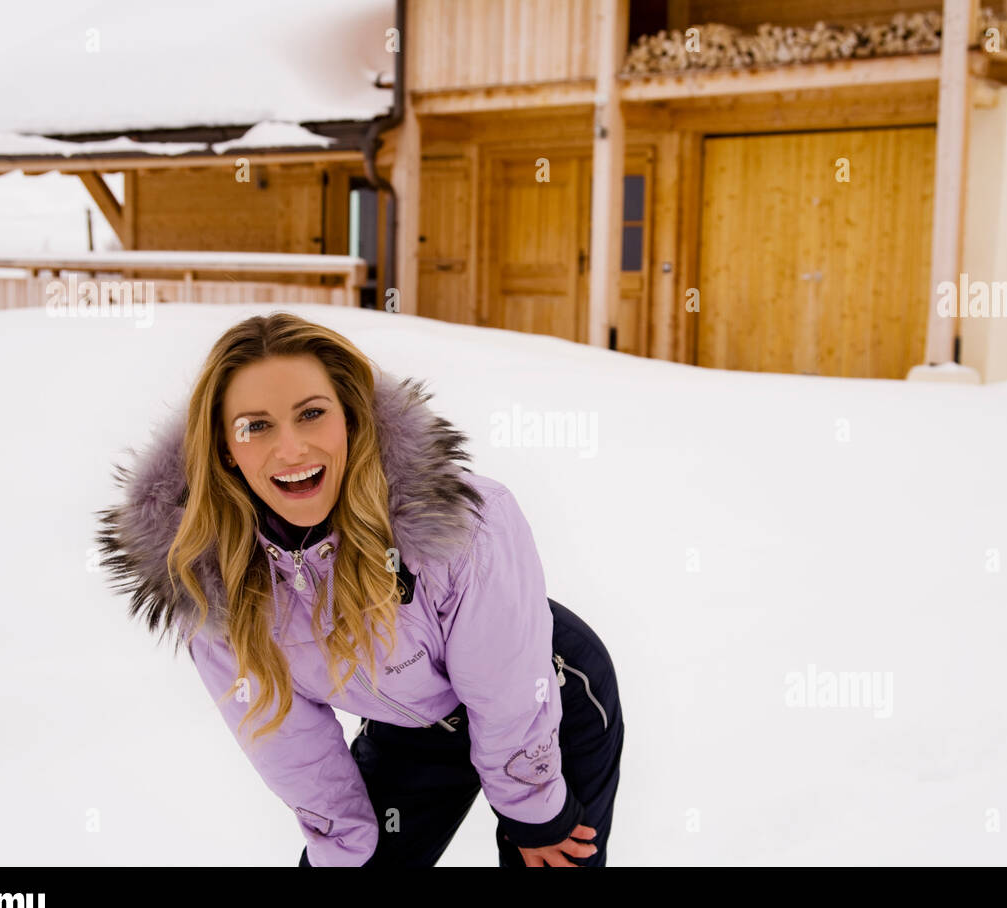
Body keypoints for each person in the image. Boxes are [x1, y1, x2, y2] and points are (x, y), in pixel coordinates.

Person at [95, 311, 624, 866]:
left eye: (312, 414)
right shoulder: (208, 581)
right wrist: (346, 845)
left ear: (350, 417)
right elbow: (287, 742)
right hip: (413, 726)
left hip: (544, 698)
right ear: (226, 447)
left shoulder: (462, 522)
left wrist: (532, 810)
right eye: (256, 425)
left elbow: (507, 686)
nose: (292, 448)